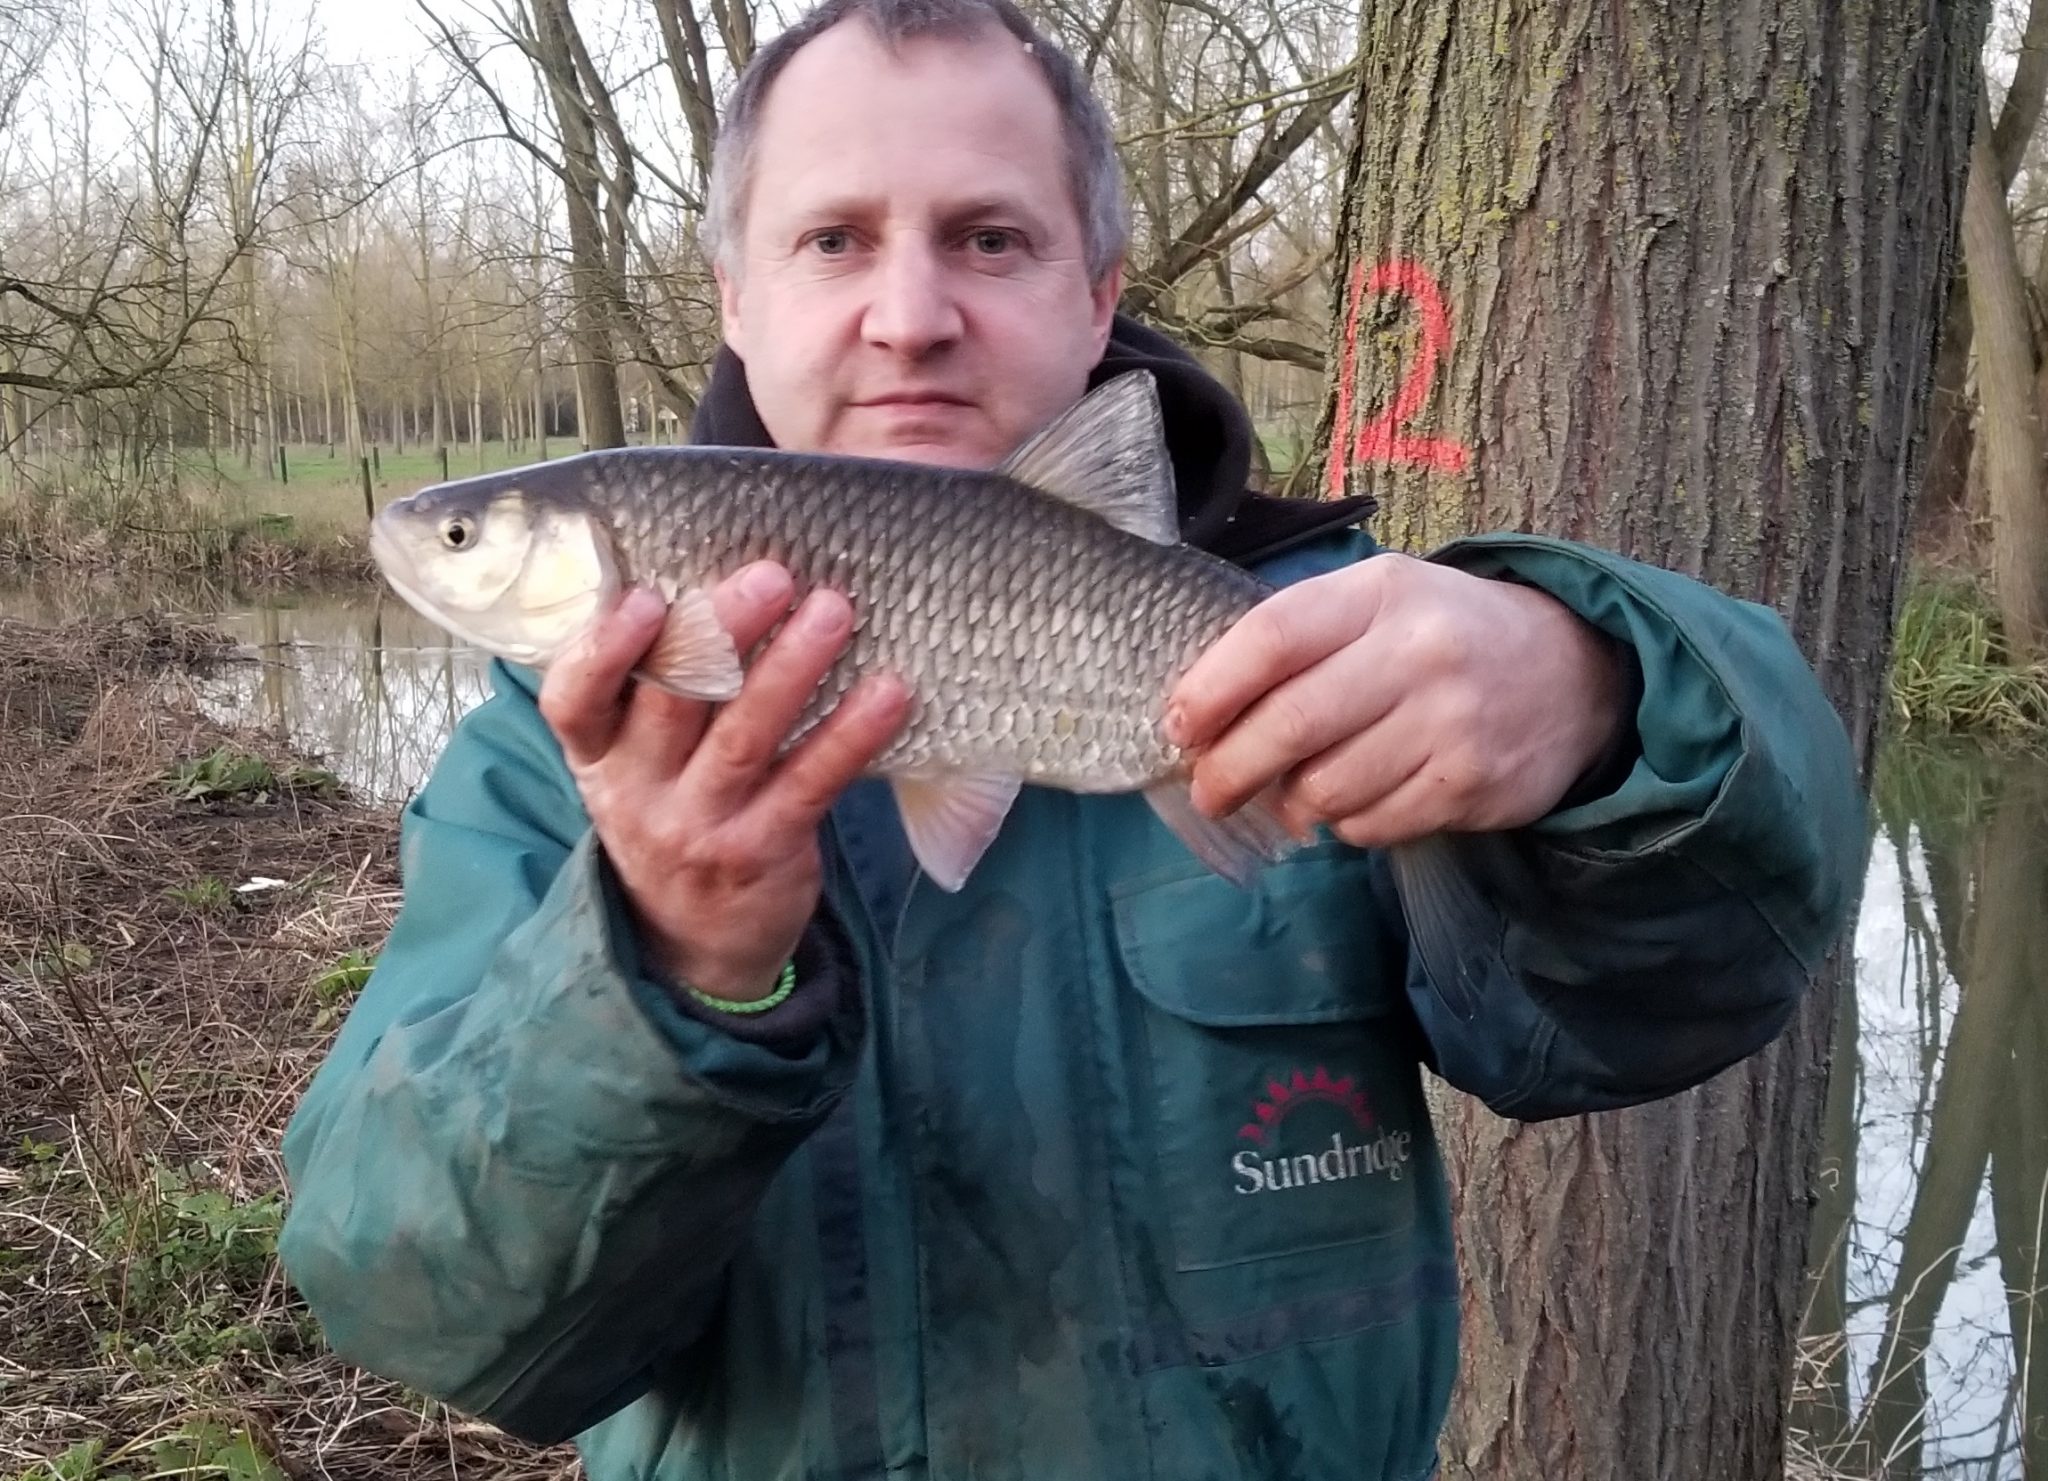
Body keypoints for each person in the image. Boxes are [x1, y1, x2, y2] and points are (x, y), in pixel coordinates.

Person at [276, 1, 1866, 1476]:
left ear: (1097, 294)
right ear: (737, 301)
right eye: (835, 239)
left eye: (990, 237)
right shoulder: (545, 757)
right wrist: (675, 969)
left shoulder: (1340, 639)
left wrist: (1600, 699)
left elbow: (1672, 1004)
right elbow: (423, 1313)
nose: (911, 316)